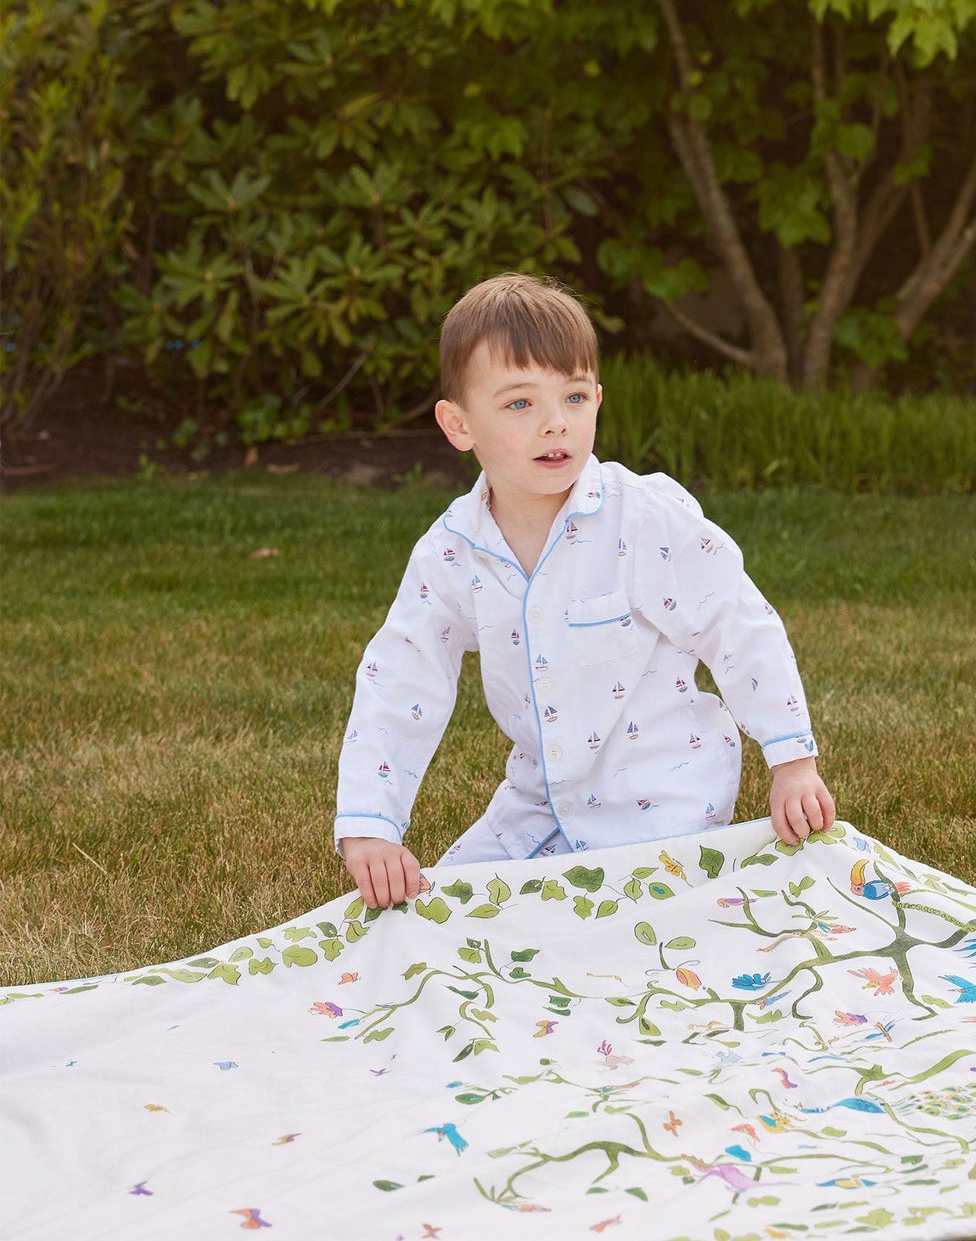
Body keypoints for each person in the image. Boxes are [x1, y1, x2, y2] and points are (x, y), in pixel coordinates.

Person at [335, 271, 834, 913]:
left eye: (573, 398)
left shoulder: (644, 518)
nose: (555, 425)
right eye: (520, 404)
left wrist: (791, 759)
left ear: (597, 400)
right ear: (458, 425)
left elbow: (738, 624)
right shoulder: (452, 552)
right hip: (539, 800)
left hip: (666, 802)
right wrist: (370, 826)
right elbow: (401, 678)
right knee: (442, 913)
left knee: (628, 932)